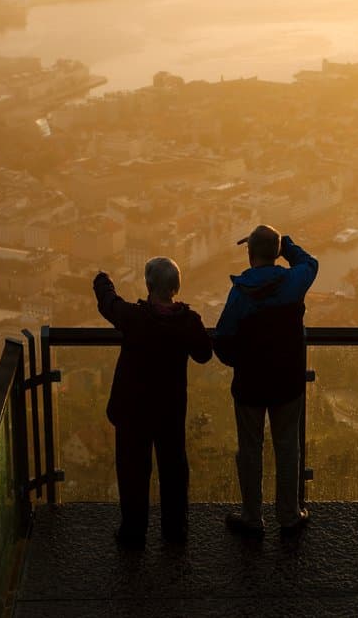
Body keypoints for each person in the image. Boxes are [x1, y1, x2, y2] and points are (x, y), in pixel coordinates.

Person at [92, 259, 212, 550]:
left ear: (148, 286)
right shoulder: (188, 321)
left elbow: (109, 304)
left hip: (133, 410)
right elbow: (204, 354)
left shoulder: (135, 318)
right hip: (170, 410)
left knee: (133, 471)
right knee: (173, 469)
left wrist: (101, 279)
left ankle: (133, 532)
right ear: (175, 287)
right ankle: (175, 530)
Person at [213, 225, 318, 539]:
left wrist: (242, 361)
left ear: (249, 253)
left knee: (250, 449)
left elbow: (221, 340)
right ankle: (288, 515)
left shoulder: (240, 293)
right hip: (287, 381)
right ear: (276, 252)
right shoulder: (294, 282)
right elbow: (310, 263)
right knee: (287, 448)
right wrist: (286, 245)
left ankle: (252, 516)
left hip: (250, 383)